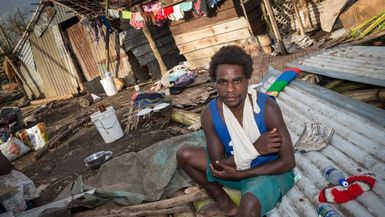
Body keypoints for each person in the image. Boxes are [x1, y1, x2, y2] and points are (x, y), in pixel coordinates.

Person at [176, 45, 295, 217]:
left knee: (249, 207)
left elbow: (288, 162)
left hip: (269, 172)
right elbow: (217, 164)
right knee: (184, 154)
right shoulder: (210, 114)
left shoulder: (267, 108)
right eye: (223, 82)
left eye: (237, 81)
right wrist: (254, 149)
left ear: (248, 79)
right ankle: (226, 205)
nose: (230, 90)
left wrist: (244, 173)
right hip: (232, 173)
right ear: (216, 83)